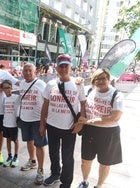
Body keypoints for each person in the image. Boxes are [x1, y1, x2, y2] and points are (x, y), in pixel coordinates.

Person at [39, 54, 86, 188]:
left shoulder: (78, 84)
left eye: (66, 66)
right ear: (57, 68)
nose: (64, 68)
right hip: (52, 126)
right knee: (53, 152)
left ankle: (66, 183)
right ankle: (55, 174)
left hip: (70, 128)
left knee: (67, 157)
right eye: (61, 66)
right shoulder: (50, 84)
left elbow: (83, 104)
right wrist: (42, 124)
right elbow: (45, 105)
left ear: (71, 67)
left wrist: (80, 123)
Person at [77, 68, 124, 188]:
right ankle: (85, 181)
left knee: (105, 162)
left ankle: (99, 185)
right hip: (90, 131)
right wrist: (78, 80)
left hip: (108, 133)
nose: (100, 81)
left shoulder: (116, 95)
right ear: (93, 81)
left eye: (103, 78)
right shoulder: (89, 90)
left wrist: (88, 120)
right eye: (97, 79)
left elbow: (115, 117)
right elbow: (73, 85)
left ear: (109, 79)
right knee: (85, 160)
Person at [18, 62, 47, 185]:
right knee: (29, 141)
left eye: (30, 70)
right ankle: (32, 161)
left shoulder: (41, 84)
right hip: (25, 119)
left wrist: (43, 122)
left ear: (35, 72)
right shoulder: (22, 83)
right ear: (22, 72)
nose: (28, 73)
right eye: (26, 70)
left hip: (37, 120)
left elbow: (47, 102)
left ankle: (40, 170)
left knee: (39, 145)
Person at [0, 80, 20, 168]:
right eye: (5, 88)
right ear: (2, 89)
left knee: (15, 140)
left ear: (11, 87)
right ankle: (9, 156)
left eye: (8, 87)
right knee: (8, 140)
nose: (7, 90)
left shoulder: (16, 97)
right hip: (6, 123)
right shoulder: (4, 98)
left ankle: (16, 157)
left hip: (14, 124)